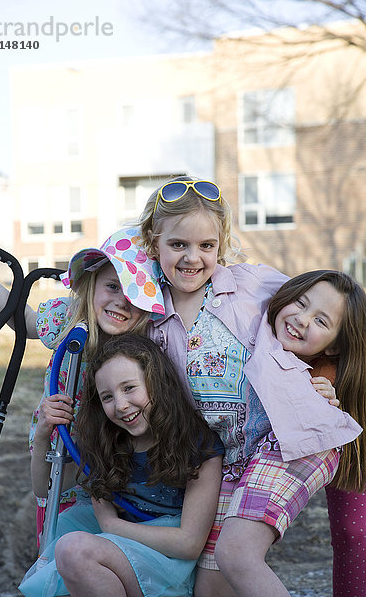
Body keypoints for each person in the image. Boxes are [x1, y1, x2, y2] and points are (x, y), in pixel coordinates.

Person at [138, 176, 362, 597]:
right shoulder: (144, 309)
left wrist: (325, 383)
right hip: (222, 464)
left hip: (288, 440)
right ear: (154, 242)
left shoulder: (250, 285)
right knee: (211, 589)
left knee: (237, 554)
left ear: (220, 245)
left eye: (206, 246)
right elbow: (57, 320)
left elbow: (321, 326)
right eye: (178, 245)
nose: (192, 257)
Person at [0, 227, 165, 542]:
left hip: (113, 458)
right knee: (57, 532)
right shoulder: (70, 318)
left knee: (106, 541)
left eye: (134, 296)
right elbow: (24, 321)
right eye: (112, 286)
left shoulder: (145, 343)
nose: (121, 302)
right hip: (56, 447)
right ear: (91, 283)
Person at [18, 334, 223, 597]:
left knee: (73, 550)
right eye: (107, 397)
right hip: (117, 550)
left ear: (156, 382)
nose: (121, 405)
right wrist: (42, 436)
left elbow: (189, 544)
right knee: (66, 550)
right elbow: (43, 489)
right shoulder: (107, 442)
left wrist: (113, 527)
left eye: (129, 388)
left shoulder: (197, 444)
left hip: (168, 564)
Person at [267, 271, 366, 597]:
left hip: (353, 430)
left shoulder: (330, 377)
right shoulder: (254, 330)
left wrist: (328, 403)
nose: (302, 320)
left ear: (335, 346)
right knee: (351, 533)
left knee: (354, 532)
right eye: (301, 303)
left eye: (321, 321)